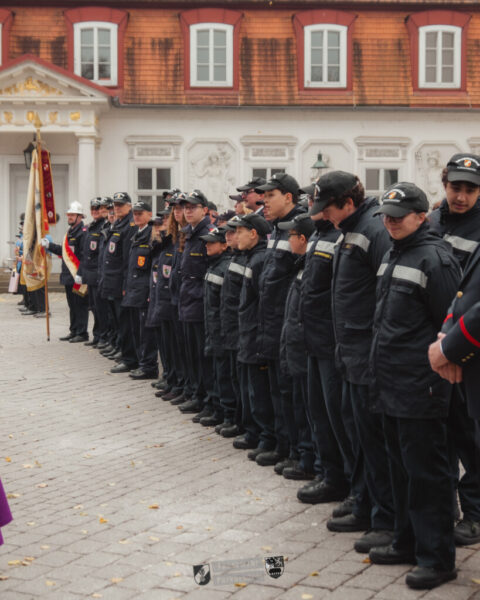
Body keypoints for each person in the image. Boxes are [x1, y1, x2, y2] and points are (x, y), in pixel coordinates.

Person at [369, 182, 460, 590]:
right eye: (386, 216)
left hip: (420, 385)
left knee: (427, 475)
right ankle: (406, 542)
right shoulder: (395, 251)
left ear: (422, 216)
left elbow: (448, 326)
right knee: (400, 470)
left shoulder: (435, 259)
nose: (390, 222)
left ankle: (437, 558)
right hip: (390, 382)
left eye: (399, 216)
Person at [312, 170, 395, 554]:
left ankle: (384, 517)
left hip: (365, 354)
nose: (323, 215)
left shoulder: (374, 231)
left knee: (373, 441)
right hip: (348, 350)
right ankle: (363, 501)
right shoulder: (350, 229)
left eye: (327, 208)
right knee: (356, 434)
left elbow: (384, 296)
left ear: (348, 202)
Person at [429, 153, 480, 546]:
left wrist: (456, 346)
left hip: (467, 348)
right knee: (439, 434)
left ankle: (475, 514)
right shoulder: (431, 222)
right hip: (435, 343)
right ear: (444, 185)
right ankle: (444, 508)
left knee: (471, 439)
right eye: (455, 187)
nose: (461, 196)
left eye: (470, 190)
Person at [252, 173, 305, 468]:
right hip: (272, 319)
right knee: (277, 389)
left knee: (289, 392)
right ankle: (283, 445)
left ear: (288, 197)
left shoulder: (299, 227)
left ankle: (297, 451)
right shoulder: (277, 229)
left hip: (287, 321)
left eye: (270, 195)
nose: (264, 201)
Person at [228, 213, 276, 455]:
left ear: (254, 234)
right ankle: (254, 431)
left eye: (240, 232)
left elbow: (263, 303)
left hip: (255, 335)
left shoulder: (259, 260)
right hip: (247, 332)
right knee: (249, 388)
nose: (236, 236)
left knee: (259, 391)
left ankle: (265, 436)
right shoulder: (251, 258)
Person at [277, 213, 316, 480]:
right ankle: (302, 455)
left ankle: (308, 460)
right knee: (298, 404)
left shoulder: (308, 266)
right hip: (294, 346)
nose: (287, 240)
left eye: (290, 235)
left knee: (306, 409)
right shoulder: (301, 265)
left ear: (302, 239)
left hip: (303, 349)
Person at [176, 190, 215, 419]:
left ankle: (208, 401)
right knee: (191, 354)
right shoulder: (190, 233)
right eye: (185, 207)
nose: (187, 211)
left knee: (203, 358)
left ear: (205, 210)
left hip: (199, 303)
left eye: (192, 207)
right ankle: (197, 394)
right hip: (187, 301)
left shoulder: (208, 234)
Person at [99, 192, 137, 373]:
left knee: (125, 323)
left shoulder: (129, 226)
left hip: (120, 282)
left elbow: (127, 260)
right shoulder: (119, 223)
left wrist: (124, 285)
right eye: (115, 205)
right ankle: (124, 351)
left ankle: (129, 358)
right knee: (118, 321)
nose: (117, 208)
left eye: (121, 205)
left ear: (129, 206)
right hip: (112, 281)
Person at [216, 221, 248, 438]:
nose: (229, 236)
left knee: (242, 382)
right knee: (233, 378)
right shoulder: (234, 258)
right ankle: (236, 419)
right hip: (229, 328)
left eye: (235, 232)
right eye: (227, 233)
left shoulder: (245, 259)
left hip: (240, 330)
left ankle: (243, 423)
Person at [199, 226, 233, 426]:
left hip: (220, 331)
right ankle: (216, 408)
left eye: (212, 243)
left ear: (223, 245)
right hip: (211, 328)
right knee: (214, 372)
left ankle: (227, 415)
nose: (207, 246)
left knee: (223, 375)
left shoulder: (224, 267)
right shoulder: (213, 265)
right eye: (206, 243)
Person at [120, 200, 158, 379]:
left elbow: (153, 267)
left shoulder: (151, 235)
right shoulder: (136, 234)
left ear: (149, 214)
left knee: (146, 333)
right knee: (136, 329)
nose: (136, 216)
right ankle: (139, 361)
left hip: (144, 291)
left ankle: (148, 366)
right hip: (134, 290)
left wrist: (151, 291)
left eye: (140, 213)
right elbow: (130, 266)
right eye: (134, 213)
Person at [43, 202, 89, 342]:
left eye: (72, 215)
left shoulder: (83, 233)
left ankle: (82, 332)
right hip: (69, 275)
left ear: (80, 217)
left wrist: (80, 274)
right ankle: (74, 330)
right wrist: (49, 245)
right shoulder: (70, 232)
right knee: (72, 305)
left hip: (77, 275)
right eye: (69, 214)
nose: (69, 217)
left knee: (80, 305)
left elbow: (84, 256)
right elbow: (63, 252)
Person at [78, 197, 106, 347]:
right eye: (93, 209)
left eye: (98, 208)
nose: (95, 211)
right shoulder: (91, 227)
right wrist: (80, 272)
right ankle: (97, 335)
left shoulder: (103, 226)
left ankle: (103, 337)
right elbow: (85, 253)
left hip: (97, 273)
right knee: (94, 307)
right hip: (89, 274)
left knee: (101, 309)